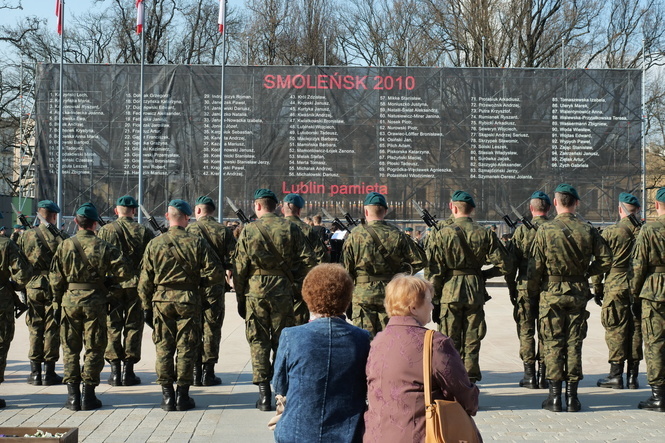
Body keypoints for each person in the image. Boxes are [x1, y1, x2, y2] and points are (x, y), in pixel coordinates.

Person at [528, 184, 612, 412]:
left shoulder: (544, 230)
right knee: (574, 343)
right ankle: (573, 398)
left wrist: (533, 294)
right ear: (576, 203)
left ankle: (554, 398)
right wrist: (586, 272)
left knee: (553, 343)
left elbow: (534, 268)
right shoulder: (588, 230)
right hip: (577, 292)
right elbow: (606, 260)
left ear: (555, 203)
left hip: (551, 293)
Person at [364, 274, 478, 442]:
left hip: (375, 435)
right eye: (428, 301)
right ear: (413, 307)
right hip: (419, 435)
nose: (432, 306)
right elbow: (462, 392)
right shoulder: (434, 343)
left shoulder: (377, 341)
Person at [138, 199, 224, 411]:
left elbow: (145, 281)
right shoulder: (197, 243)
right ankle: (182, 396)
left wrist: (146, 307)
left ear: (167, 217)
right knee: (187, 347)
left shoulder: (154, 244)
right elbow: (216, 274)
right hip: (188, 299)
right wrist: (200, 290)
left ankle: (167, 396)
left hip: (161, 301)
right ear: (187, 217)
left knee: (164, 348)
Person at [233, 188, 315, 411]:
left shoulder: (248, 231)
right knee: (282, 341)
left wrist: (240, 297)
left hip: (255, 292)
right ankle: (281, 392)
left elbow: (239, 269)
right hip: (283, 291)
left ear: (257, 206)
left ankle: (263, 395)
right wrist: (298, 287)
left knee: (258, 340)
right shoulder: (290, 228)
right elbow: (309, 260)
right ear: (276, 206)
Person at [50, 203, 134, 411]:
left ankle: (72, 397)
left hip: (69, 302)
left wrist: (57, 301)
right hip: (95, 302)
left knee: (70, 349)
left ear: (76, 222)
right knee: (94, 348)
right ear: (95, 223)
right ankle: (88, 395)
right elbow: (126, 274)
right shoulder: (104, 246)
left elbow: (55, 278)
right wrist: (111, 290)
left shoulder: (65, 245)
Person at [272, 264, 370, 442]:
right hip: (348, 434)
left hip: (298, 432)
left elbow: (280, 385)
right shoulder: (362, 338)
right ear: (347, 299)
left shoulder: (291, 336)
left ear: (308, 298)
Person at [426, 190, 513, 382]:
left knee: (449, 340)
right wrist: (482, 275)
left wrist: (434, 299)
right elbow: (505, 265)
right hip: (474, 291)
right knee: (472, 339)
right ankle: (470, 383)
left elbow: (435, 272)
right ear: (472, 209)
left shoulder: (441, 234)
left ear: (452, 207)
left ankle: (451, 382)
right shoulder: (484, 233)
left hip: (450, 292)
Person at [343, 192, 426, 338]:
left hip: (362, 297)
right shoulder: (397, 234)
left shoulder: (354, 235)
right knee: (389, 343)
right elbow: (420, 260)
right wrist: (400, 274)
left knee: (363, 345)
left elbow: (346, 271)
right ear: (385, 211)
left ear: (366, 211)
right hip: (390, 295)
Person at [97, 195, 154, 387]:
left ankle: (114, 371)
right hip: (135, 286)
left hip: (112, 285)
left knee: (112, 325)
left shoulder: (105, 231)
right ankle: (128, 371)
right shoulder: (144, 231)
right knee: (133, 327)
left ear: (116, 211)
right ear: (134, 211)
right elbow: (149, 260)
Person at [593, 192, 643, 390]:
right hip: (638, 286)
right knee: (636, 329)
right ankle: (633, 376)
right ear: (637, 210)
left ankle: (615, 375)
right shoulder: (644, 231)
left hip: (615, 285)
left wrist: (597, 287)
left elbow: (600, 262)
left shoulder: (611, 232)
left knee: (615, 330)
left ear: (619, 209)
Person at [186, 195, 236, 386]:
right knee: (212, 327)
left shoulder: (189, 229)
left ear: (198, 210)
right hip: (214, 286)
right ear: (212, 211)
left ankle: (195, 370)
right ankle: (208, 372)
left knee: (193, 326)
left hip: (193, 285)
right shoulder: (223, 230)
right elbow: (233, 258)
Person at [18, 200, 68, 386]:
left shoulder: (26, 235)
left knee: (35, 327)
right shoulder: (61, 236)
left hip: (33, 285)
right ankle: (49, 372)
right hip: (53, 286)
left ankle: (35, 372)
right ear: (54, 215)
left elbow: (21, 263)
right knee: (52, 328)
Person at [505, 191, 551, 389]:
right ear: (549, 208)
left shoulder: (521, 231)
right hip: (548, 286)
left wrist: (511, 287)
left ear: (531, 209)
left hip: (524, 286)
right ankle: (545, 373)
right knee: (546, 330)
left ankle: (529, 375)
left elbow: (510, 265)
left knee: (526, 330)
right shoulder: (553, 229)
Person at [631, 187, 665, 412]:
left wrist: (634, 294)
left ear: (656, 205)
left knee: (655, 343)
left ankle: (658, 395)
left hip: (655, 291)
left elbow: (639, 266)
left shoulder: (649, 229)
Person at [282, 193, 330, 325]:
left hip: (277, 284)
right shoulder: (308, 230)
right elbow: (322, 256)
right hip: (300, 283)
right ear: (299, 210)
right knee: (299, 326)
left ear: (282, 209)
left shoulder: (275, 229)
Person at [0, 216, 32, 408]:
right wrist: (13, 286)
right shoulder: (6, 244)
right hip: (1, 299)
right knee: (1, 344)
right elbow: (24, 273)